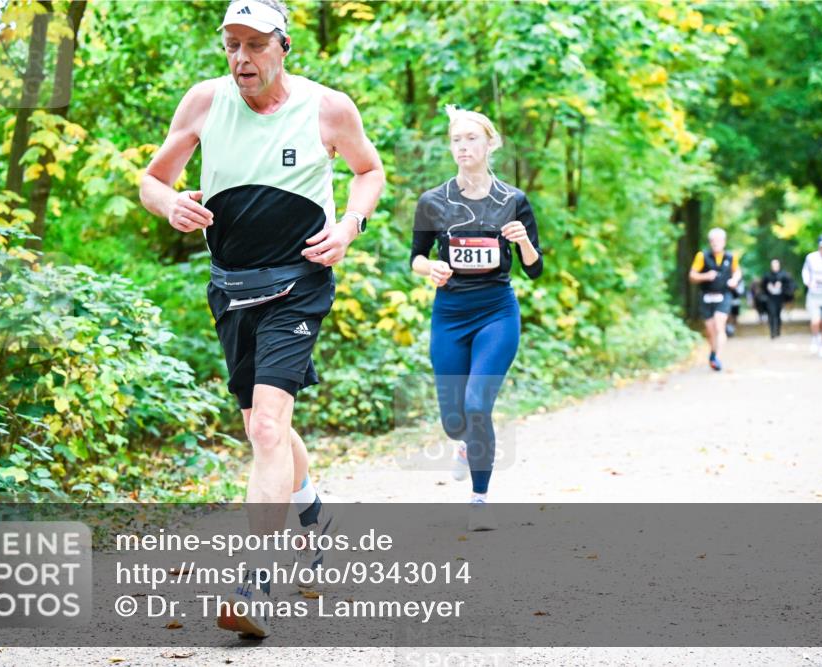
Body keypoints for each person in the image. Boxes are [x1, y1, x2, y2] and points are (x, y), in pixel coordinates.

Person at [139, 0, 384, 637]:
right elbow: (154, 178)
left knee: (270, 428)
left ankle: (254, 580)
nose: (241, 58)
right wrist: (170, 205)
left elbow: (369, 171)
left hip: (300, 284)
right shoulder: (203, 102)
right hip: (231, 287)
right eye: (231, 45)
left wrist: (349, 227)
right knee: (258, 426)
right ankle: (313, 518)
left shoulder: (328, 108)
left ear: (283, 46)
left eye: (254, 44)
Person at [411, 106, 543, 531]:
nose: (463, 146)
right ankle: (464, 446)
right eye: (456, 140)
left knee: (476, 405)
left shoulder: (512, 200)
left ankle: (480, 497)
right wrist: (429, 269)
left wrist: (523, 242)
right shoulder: (433, 202)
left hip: (496, 313)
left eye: (471, 138)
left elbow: (536, 269)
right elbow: (415, 257)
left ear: (490, 143)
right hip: (449, 313)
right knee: (454, 422)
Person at [689, 228, 741, 371]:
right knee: (710, 330)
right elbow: (692, 276)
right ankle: (712, 353)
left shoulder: (731, 257)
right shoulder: (702, 256)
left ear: (724, 242)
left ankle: (717, 357)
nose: (715, 243)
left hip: (724, 295)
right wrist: (705, 276)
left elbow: (737, 271)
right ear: (710, 242)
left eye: (718, 241)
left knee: (719, 325)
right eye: (713, 241)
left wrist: (735, 280)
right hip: (706, 296)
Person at [761, 258, 793, 339]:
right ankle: (772, 332)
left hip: (780, 298)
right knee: (771, 314)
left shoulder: (784, 275)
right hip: (770, 298)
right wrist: (768, 287)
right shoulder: (767, 275)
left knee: (778, 314)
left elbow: (790, 285)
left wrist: (781, 286)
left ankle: (778, 331)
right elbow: (762, 285)